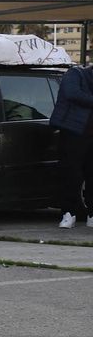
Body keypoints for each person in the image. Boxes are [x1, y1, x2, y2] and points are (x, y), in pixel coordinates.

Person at [50, 62, 93, 228]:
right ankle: (68, 213)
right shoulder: (76, 73)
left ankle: (91, 215)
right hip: (74, 133)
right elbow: (72, 93)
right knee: (71, 174)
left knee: (90, 174)